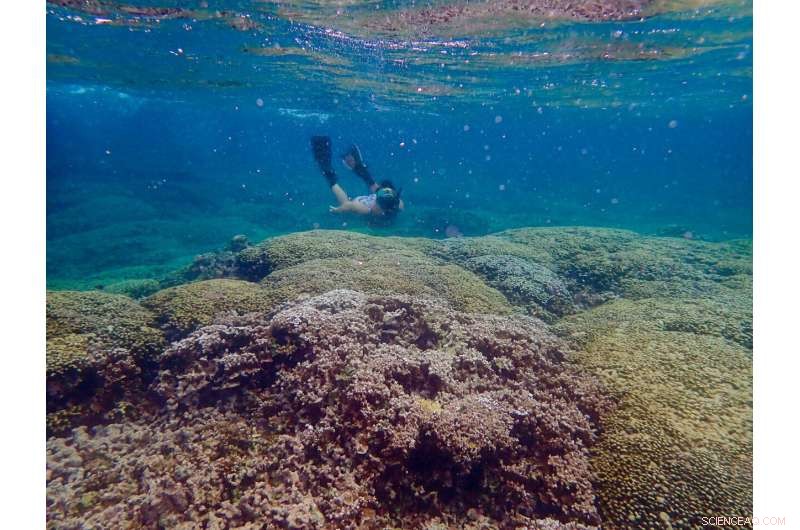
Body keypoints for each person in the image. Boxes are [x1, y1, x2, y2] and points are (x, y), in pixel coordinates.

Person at [311, 136, 403, 222]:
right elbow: (349, 206)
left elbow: (348, 206)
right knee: (347, 204)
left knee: (351, 201)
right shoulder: (366, 209)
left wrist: (337, 210)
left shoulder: (392, 206)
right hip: (362, 202)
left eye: (376, 205)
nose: (374, 205)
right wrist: (339, 210)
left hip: (370, 200)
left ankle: (353, 168)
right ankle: (331, 171)